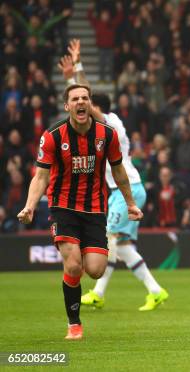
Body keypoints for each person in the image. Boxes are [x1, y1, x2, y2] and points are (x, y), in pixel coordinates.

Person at [17, 83, 143, 340]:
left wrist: (130, 203)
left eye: (85, 98)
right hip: (63, 207)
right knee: (74, 266)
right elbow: (41, 177)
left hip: (95, 208)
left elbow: (118, 171)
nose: (81, 102)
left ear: (90, 104)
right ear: (68, 106)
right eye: (75, 99)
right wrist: (30, 205)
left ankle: (76, 275)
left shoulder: (107, 135)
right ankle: (74, 323)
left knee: (95, 269)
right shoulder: (53, 136)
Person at [58, 40, 169, 311]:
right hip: (123, 189)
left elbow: (88, 101)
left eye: (88, 103)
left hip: (127, 189)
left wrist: (76, 74)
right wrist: (75, 74)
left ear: (97, 108)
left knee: (109, 240)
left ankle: (98, 293)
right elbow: (86, 99)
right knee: (123, 246)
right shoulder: (97, 126)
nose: (83, 107)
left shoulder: (112, 122)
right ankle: (155, 291)